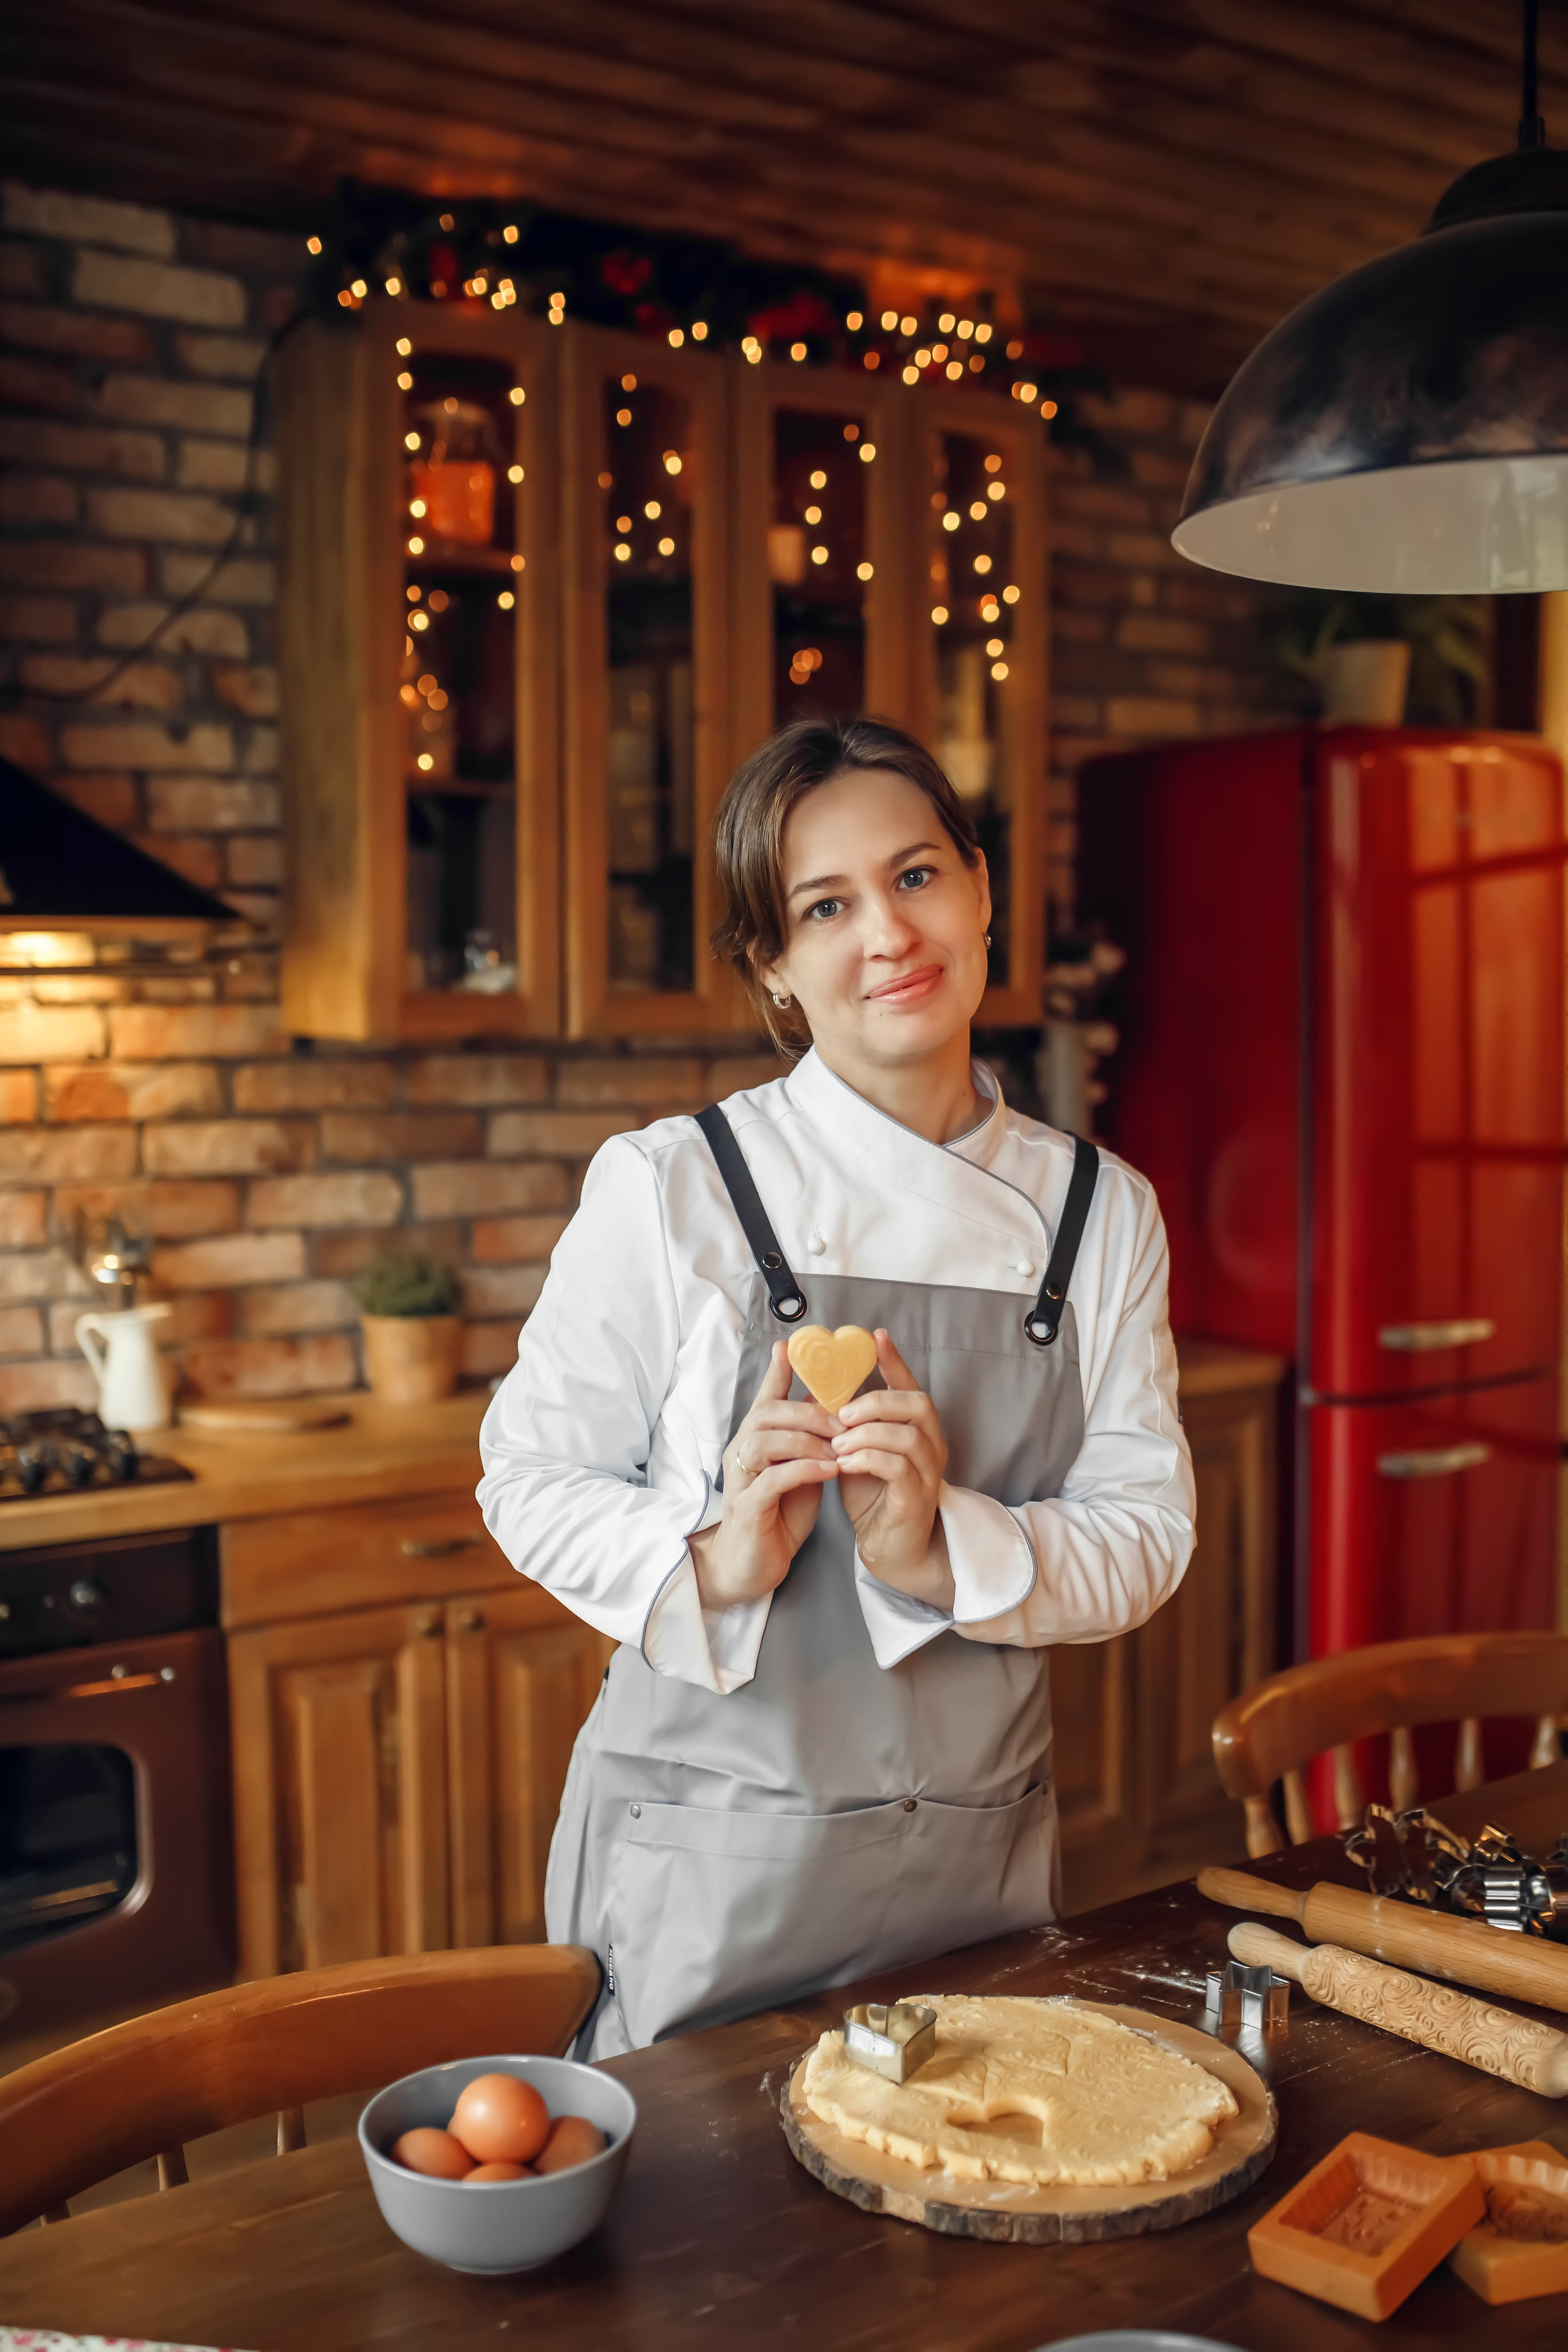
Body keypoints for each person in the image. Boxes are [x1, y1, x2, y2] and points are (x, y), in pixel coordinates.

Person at [478, 715, 1195, 2059]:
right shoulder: (673, 1187)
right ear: (775, 967)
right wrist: (717, 1558)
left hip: (975, 1871)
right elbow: (524, 1478)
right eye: (826, 904)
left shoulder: (1100, 1214)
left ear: (980, 891)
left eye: (917, 875)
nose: (889, 932)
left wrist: (941, 1543)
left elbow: (1145, 1538)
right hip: (706, 1864)